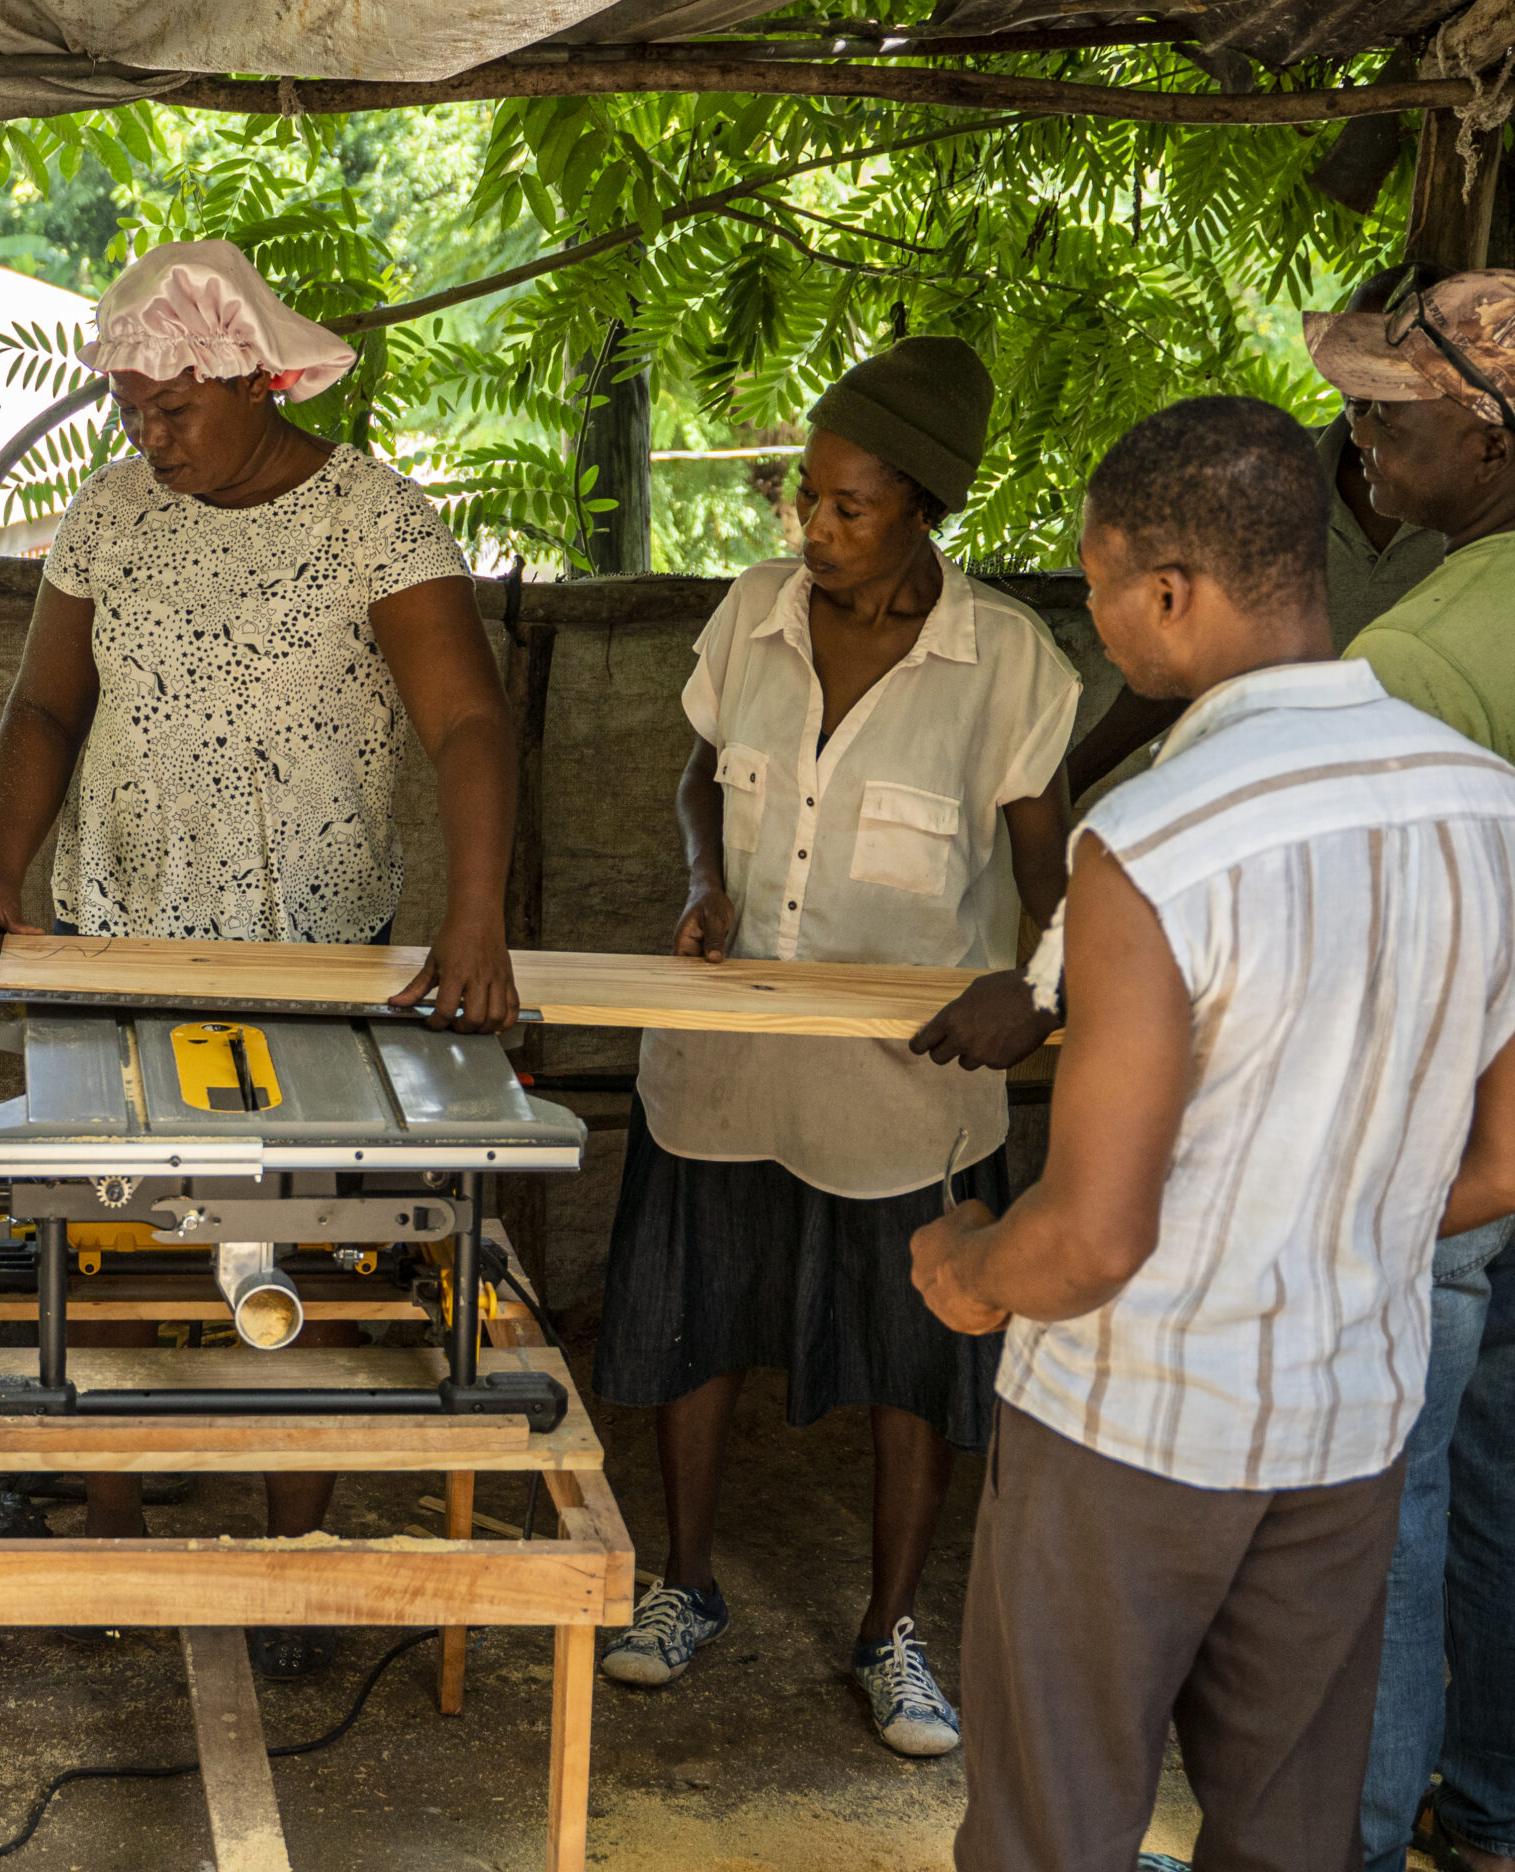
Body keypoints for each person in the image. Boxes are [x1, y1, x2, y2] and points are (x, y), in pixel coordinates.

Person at [912, 394, 1515, 1871]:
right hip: (1348, 1424)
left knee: (1055, 1823)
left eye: (1099, 586)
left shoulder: (1161, 835)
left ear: (1167, 591)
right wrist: (1335, 1233)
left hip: (1135, 1426)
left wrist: (972, 1263)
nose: (1100, 624)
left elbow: (1098, 1238)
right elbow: (1498, 1165)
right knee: (1293, 1832)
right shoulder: (1486, 805)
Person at [0, 238, 522, 1679]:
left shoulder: (373, 521)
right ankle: (122, 1540)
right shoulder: (111, 518)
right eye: (129, 407)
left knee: (301, 1249)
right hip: (121, 936)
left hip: (309, 955)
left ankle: (290, 1558)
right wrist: (3, 872)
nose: (148, 434)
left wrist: (474, 920)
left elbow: (466, 726)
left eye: (174, 408)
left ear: (256, 377)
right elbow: (43, 710)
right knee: (111, 1232)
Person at [592, 335, 1078, 1760]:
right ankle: (685, 1586)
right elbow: (699, 766)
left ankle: (890, 1631)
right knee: (699, 1325)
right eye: (803, 498)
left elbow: (1049, 882)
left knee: (915, 1353)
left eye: (849, 506)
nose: (813, 529)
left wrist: (1037, 992)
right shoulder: (751, 615)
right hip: (729, 1057)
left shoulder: (1010, 666)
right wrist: (702, 880)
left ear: (925, 507)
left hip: (902, 1082)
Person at [1304, 266, 1515, 1872]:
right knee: (1501, 1488)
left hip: (1458, 1136)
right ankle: (1487, 1809)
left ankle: (1345, 1845)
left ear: (1492, 434)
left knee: (1382, 1507)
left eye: (1389, 409)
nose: (1357, 435)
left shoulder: (1435, 650)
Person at [1063, 265, 1453, 798]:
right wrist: (1065, 785)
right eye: (1351, 364)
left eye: (1388, 372)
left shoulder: (1487, 514)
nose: (1362, 390)